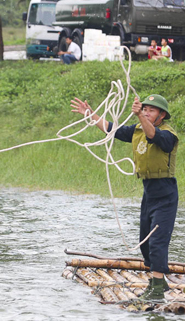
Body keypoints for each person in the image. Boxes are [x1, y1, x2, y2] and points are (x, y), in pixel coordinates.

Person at [70, 94, 178, 300]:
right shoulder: (137, 129)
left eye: (151, 110)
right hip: (149, 193)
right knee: (144, 243)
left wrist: (139, 116)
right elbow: (112, 129)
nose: (146, 112)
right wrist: (90, 114)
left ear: (162, 115)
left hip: (166, 193)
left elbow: (153, 135)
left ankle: (156, 289)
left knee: (157, 241)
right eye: (144, 108)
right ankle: (160, 282)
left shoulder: (168, 135)